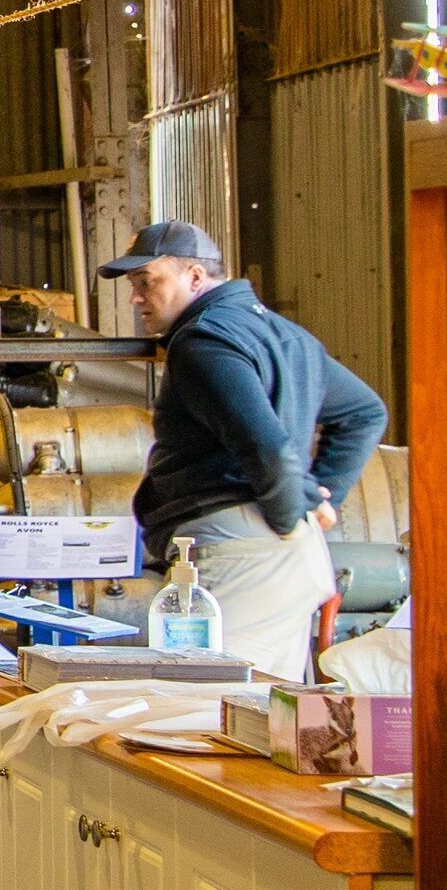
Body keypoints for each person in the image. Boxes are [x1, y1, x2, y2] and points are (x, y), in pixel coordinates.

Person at [98, 219, 390, 680]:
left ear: (195, 277)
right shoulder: (285, 335)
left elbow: (268, 448)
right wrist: (319, 498)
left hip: (241, 556)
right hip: (279, 559)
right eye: (134, 284)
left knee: (208, 709)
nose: (136, 297)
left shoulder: (203, 342)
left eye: (147, 281)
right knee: (265, 717)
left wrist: (292, 514)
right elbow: (365, 412)